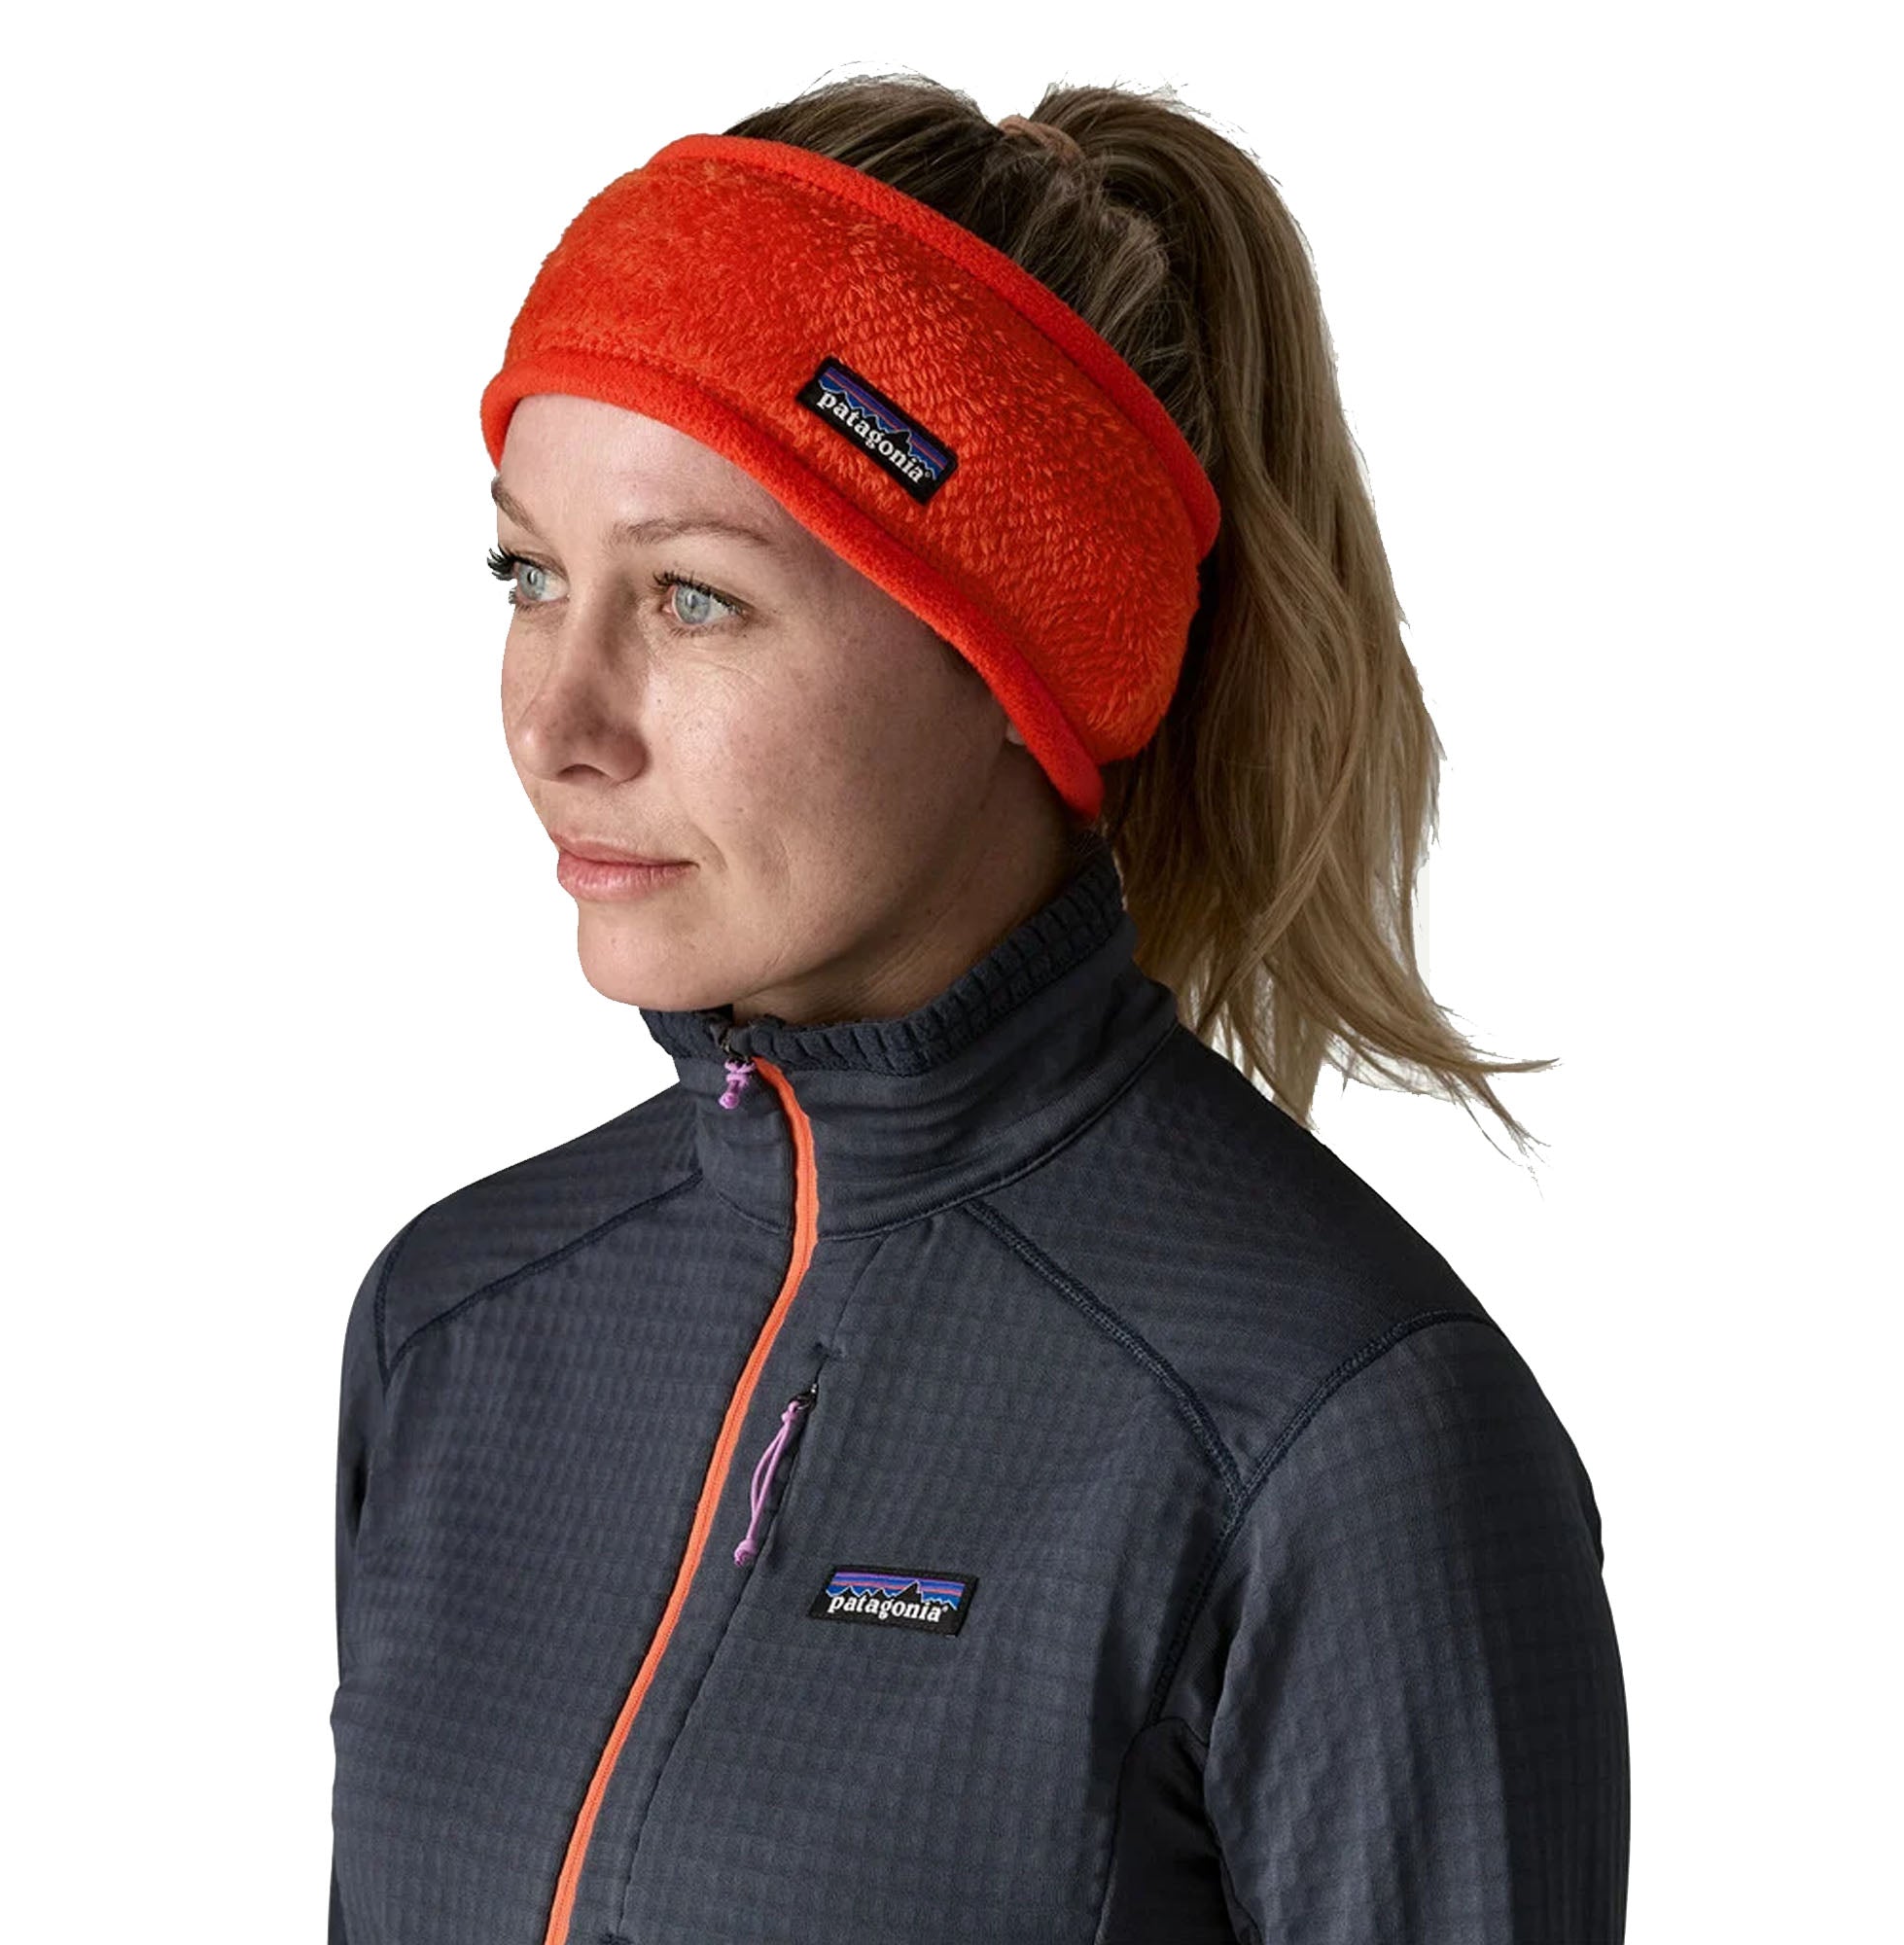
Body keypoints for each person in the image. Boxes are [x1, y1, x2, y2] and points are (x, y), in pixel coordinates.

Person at [328, 73, 1631, 1945]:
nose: (557, 719)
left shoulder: (1340, 1432)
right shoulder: (458, 1325)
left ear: (1019, 661)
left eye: (693, 599)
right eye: (528, 574)